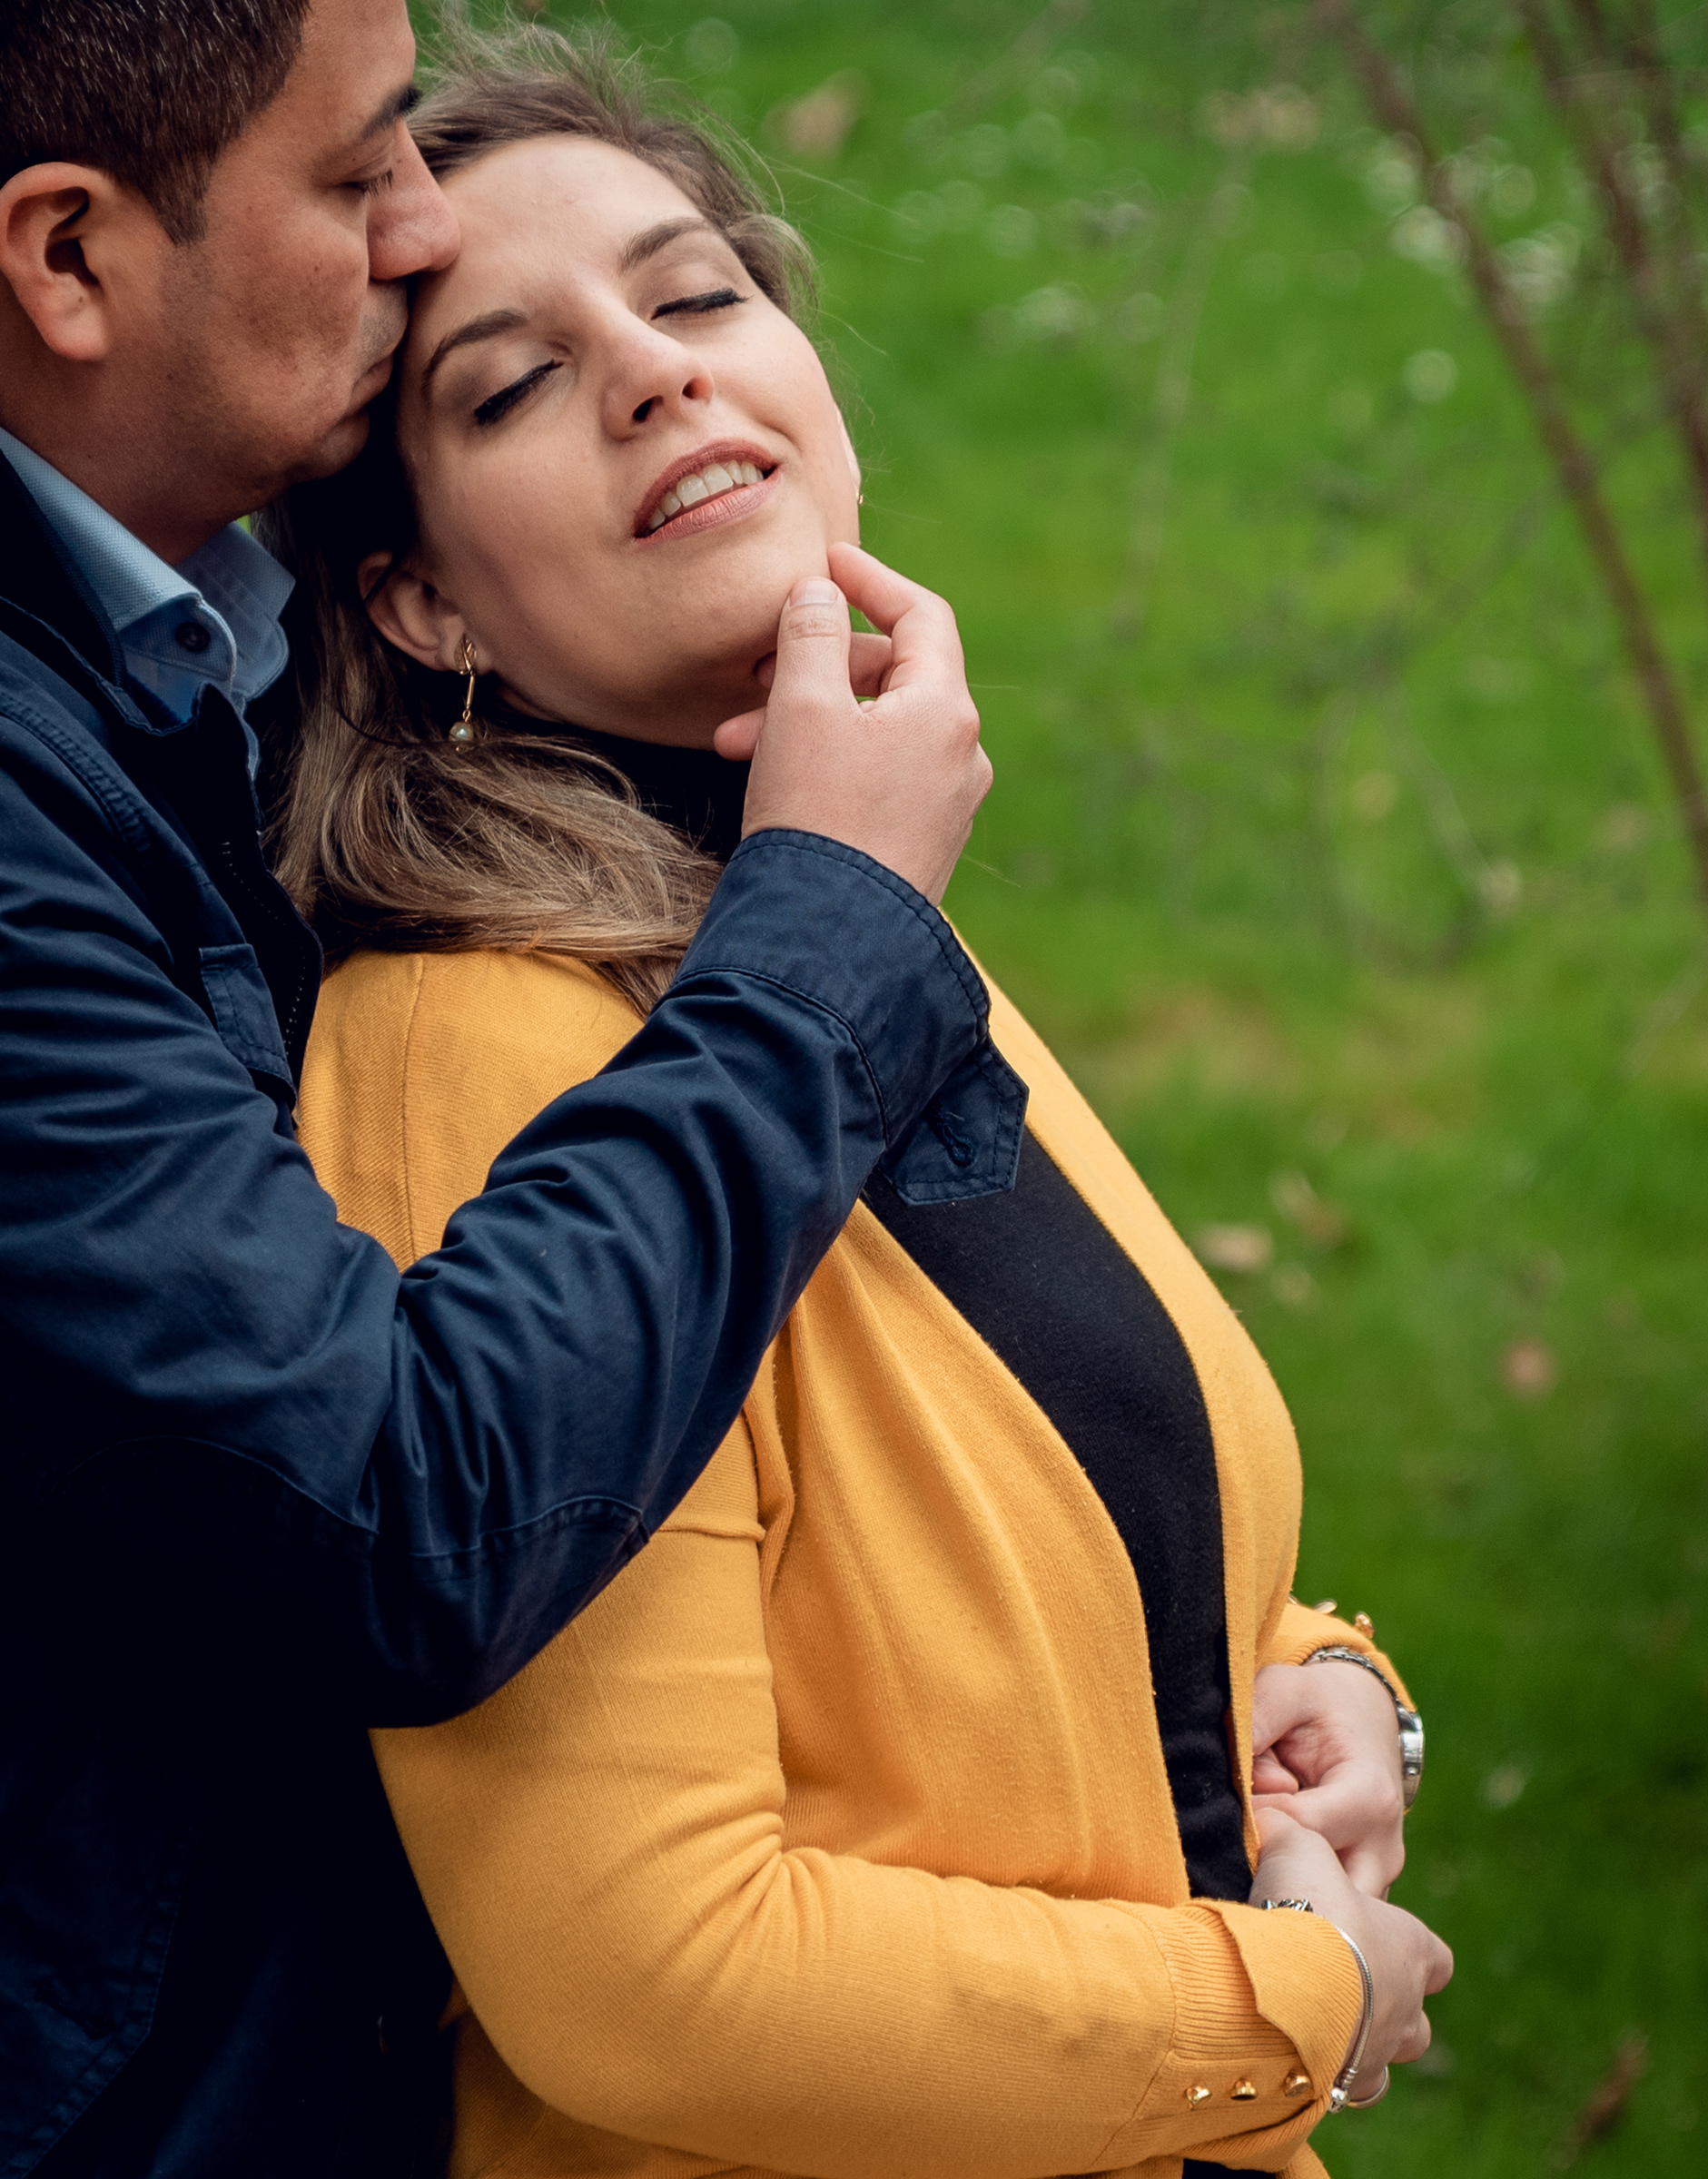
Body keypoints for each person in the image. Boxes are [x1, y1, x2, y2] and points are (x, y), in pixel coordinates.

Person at [273, 33, 1454, 2179]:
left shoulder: (831, 894)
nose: (654, 373)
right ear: (418, 600)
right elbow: (647, 1967)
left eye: (697, 290)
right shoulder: (476, 1051)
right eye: (511, 383)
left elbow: (1013, 1517)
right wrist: (1286, 2000)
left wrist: (1325, 1690)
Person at [0, 0, 1007, 2169]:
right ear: (66, 262)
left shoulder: (202, 670)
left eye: (697, 289)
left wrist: (1299, 1674)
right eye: (362, 175)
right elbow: (403, 1513)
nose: (422, 218)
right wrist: (831, 919)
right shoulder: (545, 990)